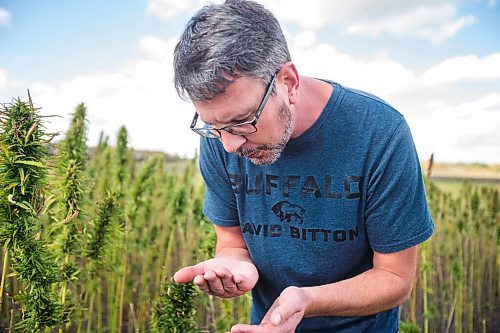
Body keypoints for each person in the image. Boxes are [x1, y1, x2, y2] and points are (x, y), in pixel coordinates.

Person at [172, 0, 434, 332]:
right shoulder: (222, 135)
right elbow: (232, 243)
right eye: (213, 126)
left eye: (242, 121)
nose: (228, 145)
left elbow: (396, 278)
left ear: (289, 82)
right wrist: (233, 266)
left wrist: (307, 301)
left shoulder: (379, 132)